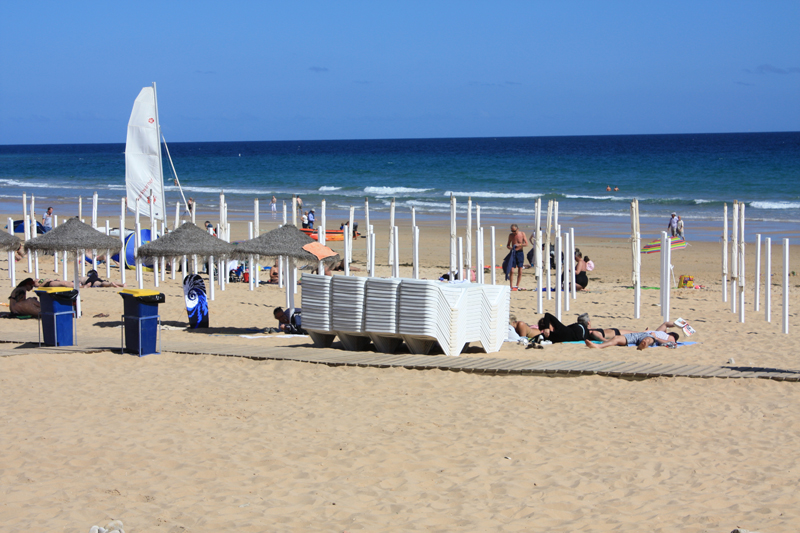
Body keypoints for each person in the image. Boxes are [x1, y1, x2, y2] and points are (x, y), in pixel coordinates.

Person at [585, 321, 681, 350]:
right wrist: (681, 325)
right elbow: (666, 324)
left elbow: (669, 343)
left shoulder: (671, 337)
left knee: (647, 340)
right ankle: (598, 346)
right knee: (617, 338)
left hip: (652, 338)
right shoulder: (661, 332)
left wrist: (656, 337)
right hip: (640, 334)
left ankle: (642, 346)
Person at [505, 224, 528, 290]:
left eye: (514, 231)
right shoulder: (511, 235)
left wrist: (520, 245)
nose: (513, 232)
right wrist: (511, 248)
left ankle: (517, 285)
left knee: (520, 270)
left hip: (520, 253)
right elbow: (508, 245)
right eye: (512, 231)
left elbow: (526, 244)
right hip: (513, 253)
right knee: (512, 270)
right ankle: (511, 285)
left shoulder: (522, 234)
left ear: (517, 229)